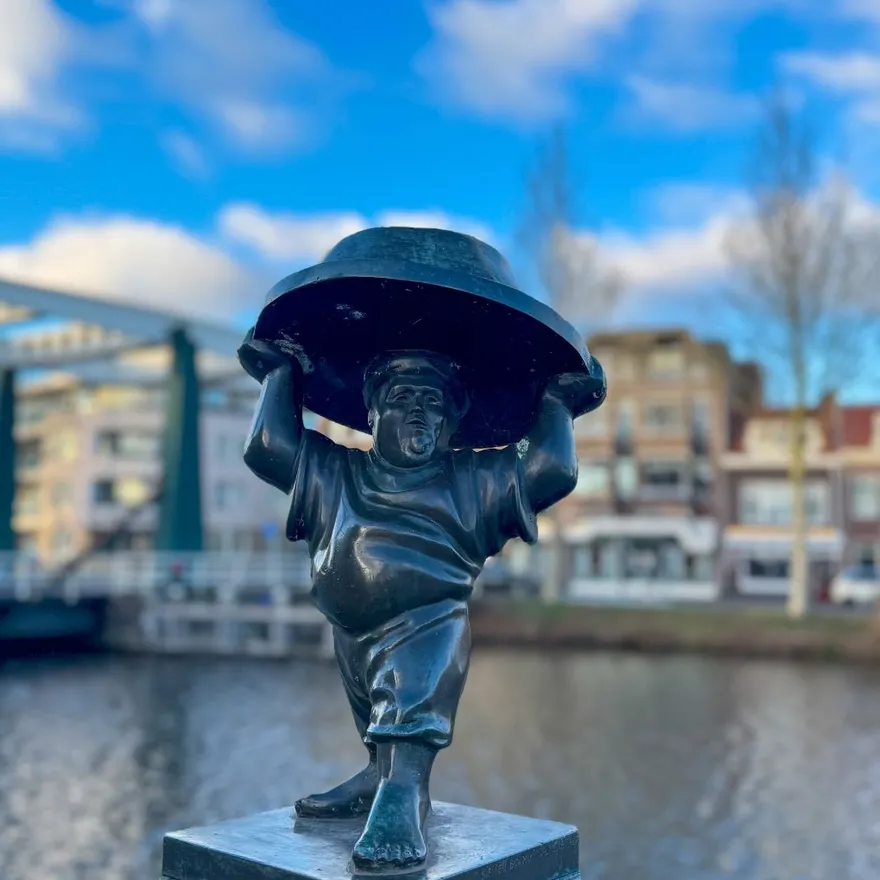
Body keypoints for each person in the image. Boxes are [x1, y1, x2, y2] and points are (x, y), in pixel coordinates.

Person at [238, 329, 604, 870]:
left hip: (426, 623)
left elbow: (549, 469)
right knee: (372, 711)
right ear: (372, 414)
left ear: (450, 424)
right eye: (403, 398)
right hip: (351, 630)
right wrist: (280, 374)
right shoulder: (336, 470)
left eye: (433, 403)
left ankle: (405, 790)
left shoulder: (471, 480)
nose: (418, 412)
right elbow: (269, 449)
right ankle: (378, 774)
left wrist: (557, 402)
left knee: (410, 704)